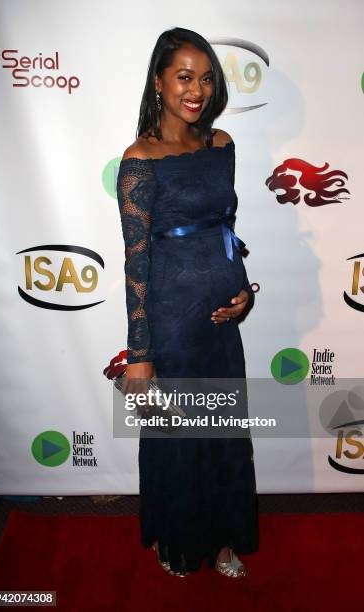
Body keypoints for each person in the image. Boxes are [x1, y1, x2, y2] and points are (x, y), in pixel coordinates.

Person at [115, 26, 259, 578]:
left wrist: (243, 290)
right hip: (170, 327)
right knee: (177, 438)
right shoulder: (140, 159)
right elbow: (136, 263)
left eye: (205, 78)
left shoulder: (221, 146)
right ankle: (177, 539)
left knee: (224, 435)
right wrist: (140, 352)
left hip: (222, 323)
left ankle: (225, 540)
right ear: (158, 83)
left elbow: (224, 229)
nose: (195, 90)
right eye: (183, 77)